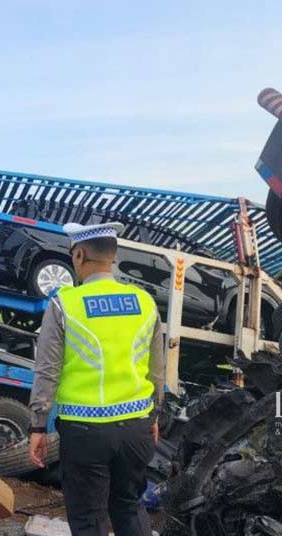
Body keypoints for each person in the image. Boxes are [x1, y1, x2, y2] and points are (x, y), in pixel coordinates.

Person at [28, 222, 165, 536]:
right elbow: (156, 369)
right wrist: (154, 414)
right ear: (113, 257)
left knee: (89, 519)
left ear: (78, 254)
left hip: (84, 432)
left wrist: (37, 424)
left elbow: (47, 370)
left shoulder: (65, 304)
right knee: (129, 507)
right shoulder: (144, 302)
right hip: (135, 428)